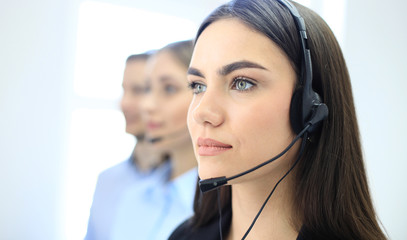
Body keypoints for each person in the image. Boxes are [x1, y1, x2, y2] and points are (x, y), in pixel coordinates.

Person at [169, 0, 387, 240]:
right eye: (198, 86)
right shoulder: (183, 236)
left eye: (242, 83)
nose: (201, 112)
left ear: (309, 110)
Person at [109, 40, 198, 240]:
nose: (146, 105)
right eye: (148, 88)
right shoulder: (133, 197)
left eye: (169, 89)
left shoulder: (228, 210)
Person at [85, 52, 169, 240]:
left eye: (139, 90)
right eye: (124, 90)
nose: (124, 103)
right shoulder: (107, 180)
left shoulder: (189, 188)